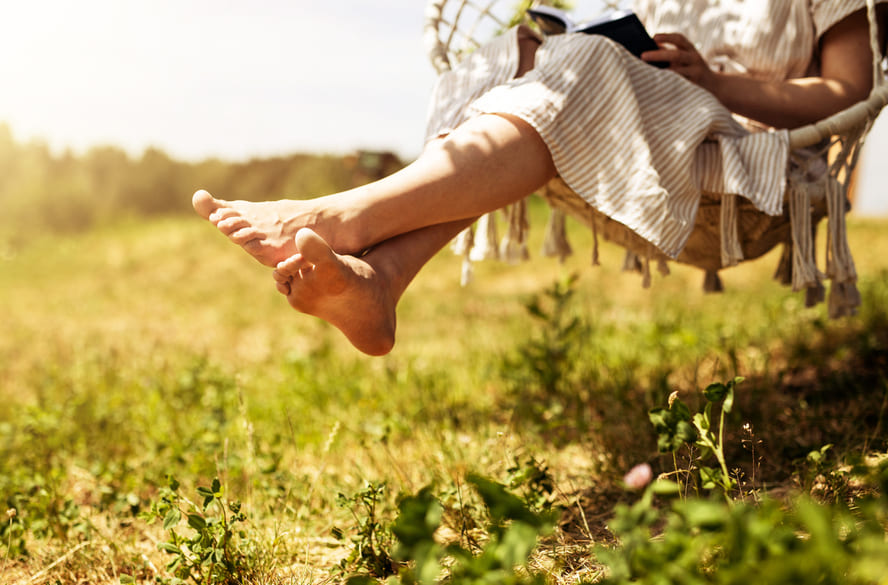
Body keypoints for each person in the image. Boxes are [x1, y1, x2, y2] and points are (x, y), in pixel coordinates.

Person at [192, 0, 887, 356]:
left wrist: (717, 80)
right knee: (508, 59)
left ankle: (349, 218)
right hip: (637, 133)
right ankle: (380, 284)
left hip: (740, 156)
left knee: (583, 73)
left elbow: (845, 93)